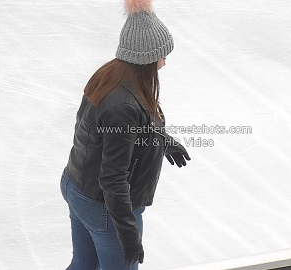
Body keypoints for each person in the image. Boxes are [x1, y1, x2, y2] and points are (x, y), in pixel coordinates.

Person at [60, 0, 190, 269]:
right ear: (145, 59)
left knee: (84, 265)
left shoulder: (109, 75)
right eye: (161, 56)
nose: (164, 63)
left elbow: (111, 134)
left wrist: (164, 141)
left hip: (77, 184)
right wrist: (128, 235)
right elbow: (113, 177)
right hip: (104, 206)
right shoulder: (124, 105)